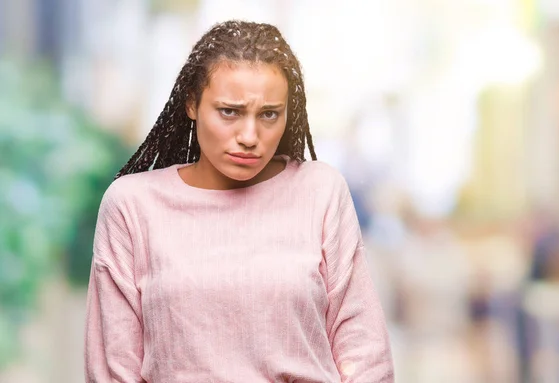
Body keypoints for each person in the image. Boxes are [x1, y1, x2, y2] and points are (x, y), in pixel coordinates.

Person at [84, 20, 394, 382]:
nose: (250, 136)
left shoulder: (320, 191)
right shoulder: (132, 206)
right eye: (229, 111)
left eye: (268, 114)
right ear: (192, 103)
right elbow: (113, 368)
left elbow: (364, 352)